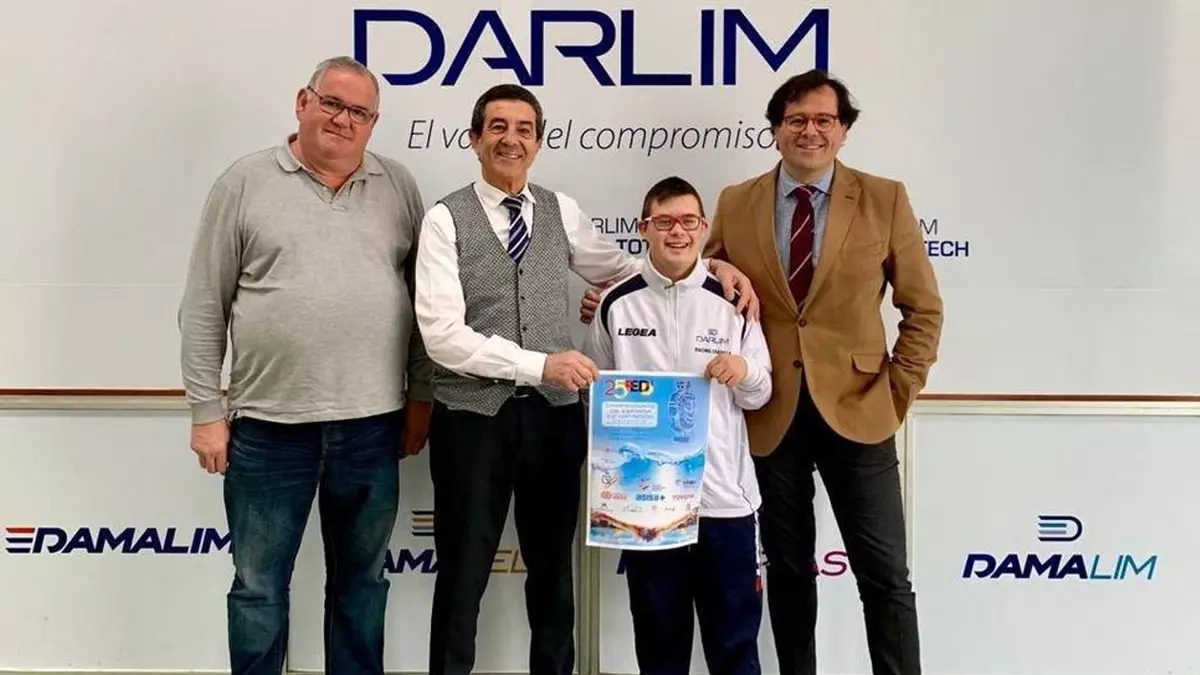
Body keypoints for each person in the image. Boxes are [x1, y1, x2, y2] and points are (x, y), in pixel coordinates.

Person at [581, 69, 945, 675]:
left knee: (885, 576)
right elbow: (701, 273)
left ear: (844, 131)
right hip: (770, 419)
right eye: (796, 120)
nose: (810, 131)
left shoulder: (885, 198)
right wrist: (718, 271)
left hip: (861, 408)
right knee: (790, 572)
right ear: (775, 130)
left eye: (824, 120)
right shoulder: (738, 201)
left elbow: (923, 307)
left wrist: (896, 391)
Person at [412, 83, 760, 675]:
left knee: (554, 573)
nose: (511, 140)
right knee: (463, 574)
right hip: (472, 421)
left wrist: (711, 266)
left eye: (524, 129)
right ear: (474, 139)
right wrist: (540, 364)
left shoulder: (560, 211)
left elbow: (640, 267)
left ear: (538, 143)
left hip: (553, 421)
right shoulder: (445, 219)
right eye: (498, 127)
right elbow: (442, 336)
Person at [178, 56, 433, 675]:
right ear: (303, 101)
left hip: (372, 426)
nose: (344, 120)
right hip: (269, 429)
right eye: (332, 104)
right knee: (259, 588)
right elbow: (204, 305)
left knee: (362, 584)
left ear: (374, 122)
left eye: (359, 112)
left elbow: (424, 303)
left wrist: (421, 397)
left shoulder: (398, 185)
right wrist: (206, 412)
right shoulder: (243, 183)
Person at [583, 176, 773, 675]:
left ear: (703, 227)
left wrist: (743, 371)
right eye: (664, 221)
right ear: (643, 228)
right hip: (648, 509)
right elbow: (594, 395)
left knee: (735, 650)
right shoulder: (615, 303)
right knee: (659, 651)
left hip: (725, 504)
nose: (677, 232)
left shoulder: (733, 299)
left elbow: (761, 392)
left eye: (689, 221)